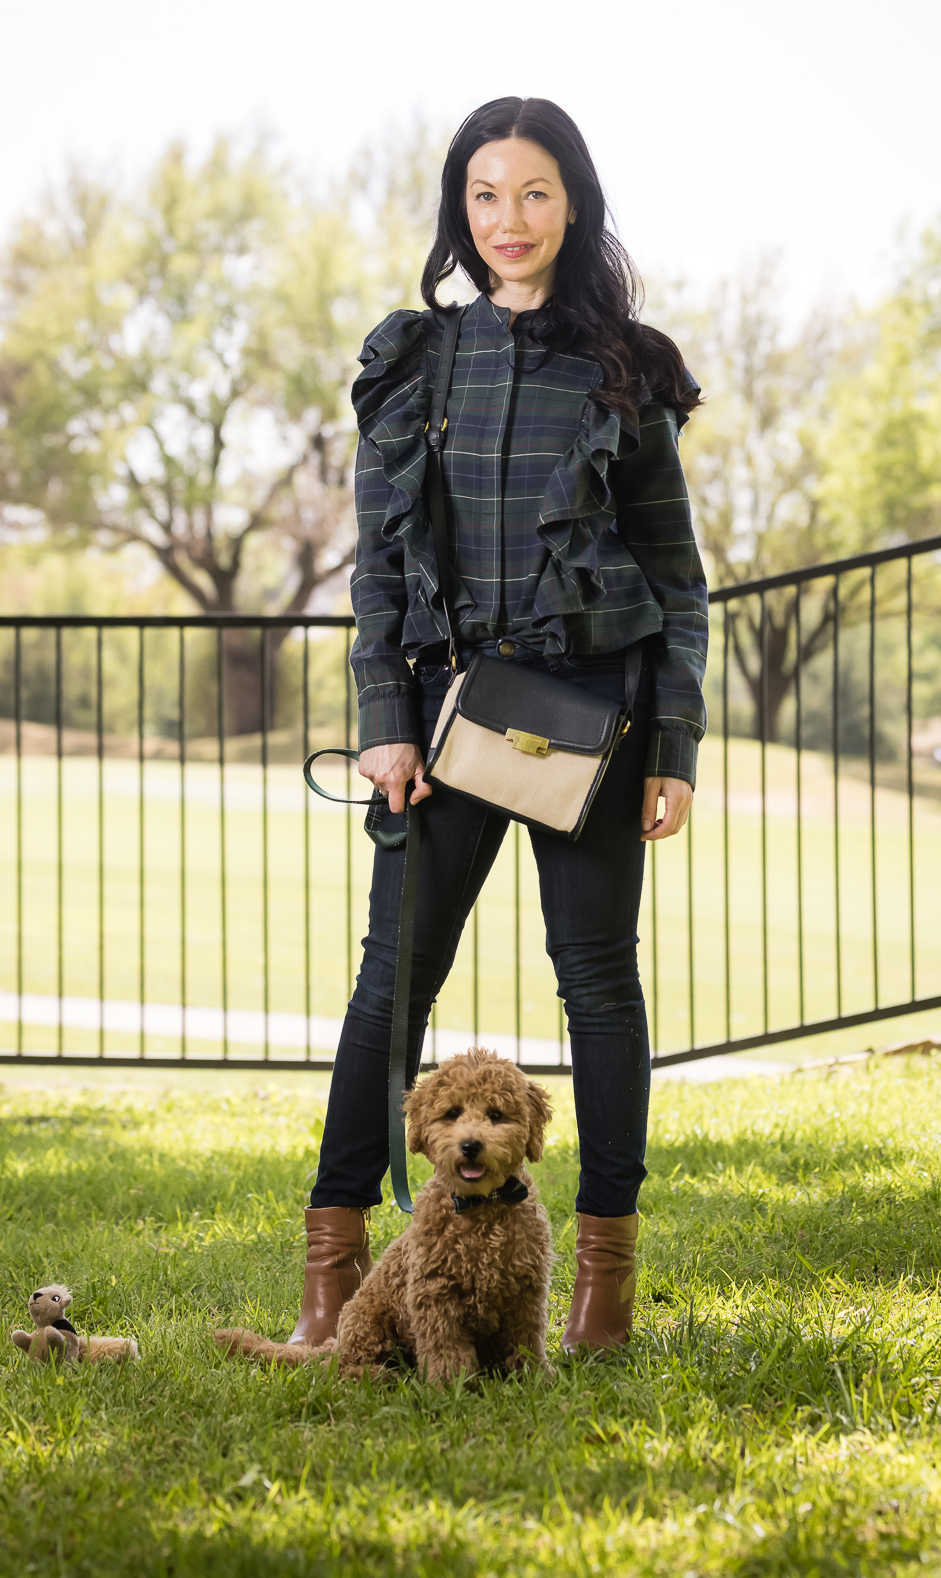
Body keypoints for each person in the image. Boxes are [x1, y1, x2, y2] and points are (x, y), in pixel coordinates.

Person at [292, 96, 707, 1354]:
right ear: (456, 210)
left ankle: (600, 1291)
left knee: (598, 984)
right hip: (442, 719)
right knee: (392, 981)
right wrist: (383, 718)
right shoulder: (415, 360)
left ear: (570, 203)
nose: (507, 220)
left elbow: (675, 581)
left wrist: (674, 749)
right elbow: (375, 572)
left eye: (532, 193)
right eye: (484, 196)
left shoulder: (625, 366)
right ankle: (332, 1276)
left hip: (597, 721)